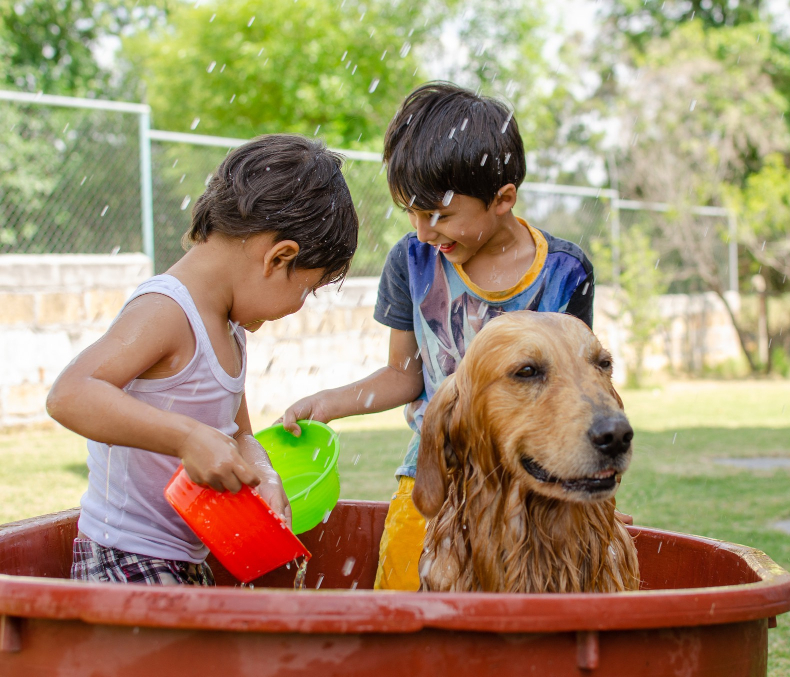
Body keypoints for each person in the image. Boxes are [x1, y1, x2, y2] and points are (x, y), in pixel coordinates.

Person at [280, 82, 595, 590]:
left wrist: (590, 489)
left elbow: (580, 394)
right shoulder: (413, 262)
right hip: (431, 476)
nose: (425, 231)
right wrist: (330, 401)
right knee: (404, 604)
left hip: (534, 487)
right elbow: (404, 377)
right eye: (413, 211)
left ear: (502, 199)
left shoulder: (562, 272)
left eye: (441, 214)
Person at [46, 134, 359, 585]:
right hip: (125, 557)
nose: (300, 306)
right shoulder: (168, 310)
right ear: (279, 257)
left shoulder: (231, 329)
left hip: (185, 557)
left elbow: (242, 435)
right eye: (308, 289)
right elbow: (70, 394)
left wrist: (265, 475)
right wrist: (188, 437)